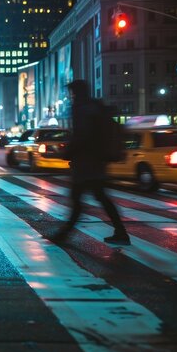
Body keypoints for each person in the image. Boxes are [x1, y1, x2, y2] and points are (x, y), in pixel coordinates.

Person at [49, 80, 130, 245]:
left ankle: (64, 234)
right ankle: (120, 232)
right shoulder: (95, 106)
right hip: (97, 161)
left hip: (86, 162)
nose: (70, 96)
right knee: (99, 197)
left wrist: (68, 151)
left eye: (72, 93)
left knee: (78, 198)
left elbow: (82, 135)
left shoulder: (82, 108)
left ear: (76, 93)